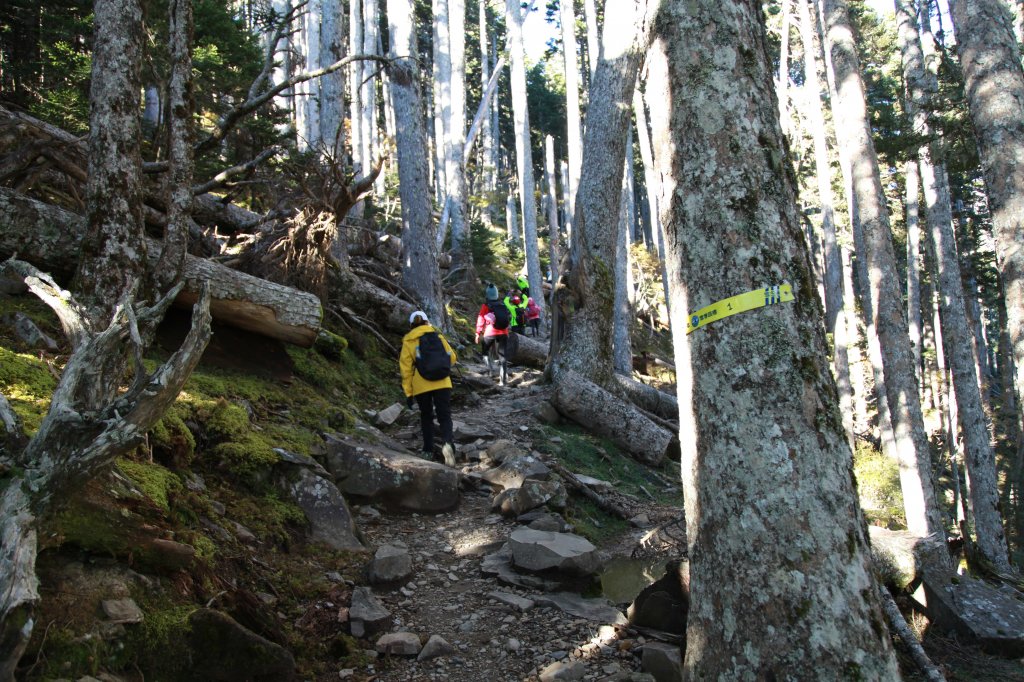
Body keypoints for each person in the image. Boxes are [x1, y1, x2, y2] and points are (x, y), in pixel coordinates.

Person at [400, 311, 457, 466]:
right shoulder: (438, 336)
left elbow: (406, 370)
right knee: (444, 416)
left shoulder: (409, 341)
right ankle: (448, 444)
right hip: (443, 383)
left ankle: (428, 450)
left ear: (411, 325)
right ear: (426, 322)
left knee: (427, 416)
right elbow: (452, 357)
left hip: (421, 385)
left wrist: (408, 393)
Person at [475, 283, 510, 385]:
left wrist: (478, 333)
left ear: (487, 294)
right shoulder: (503, 304)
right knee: (503, 356)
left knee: (485, 351)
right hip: (503, 332)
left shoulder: (486, 306)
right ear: (497, 294)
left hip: (490, 332)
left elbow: (481, 319)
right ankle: (502, 380)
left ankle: (489, 371)